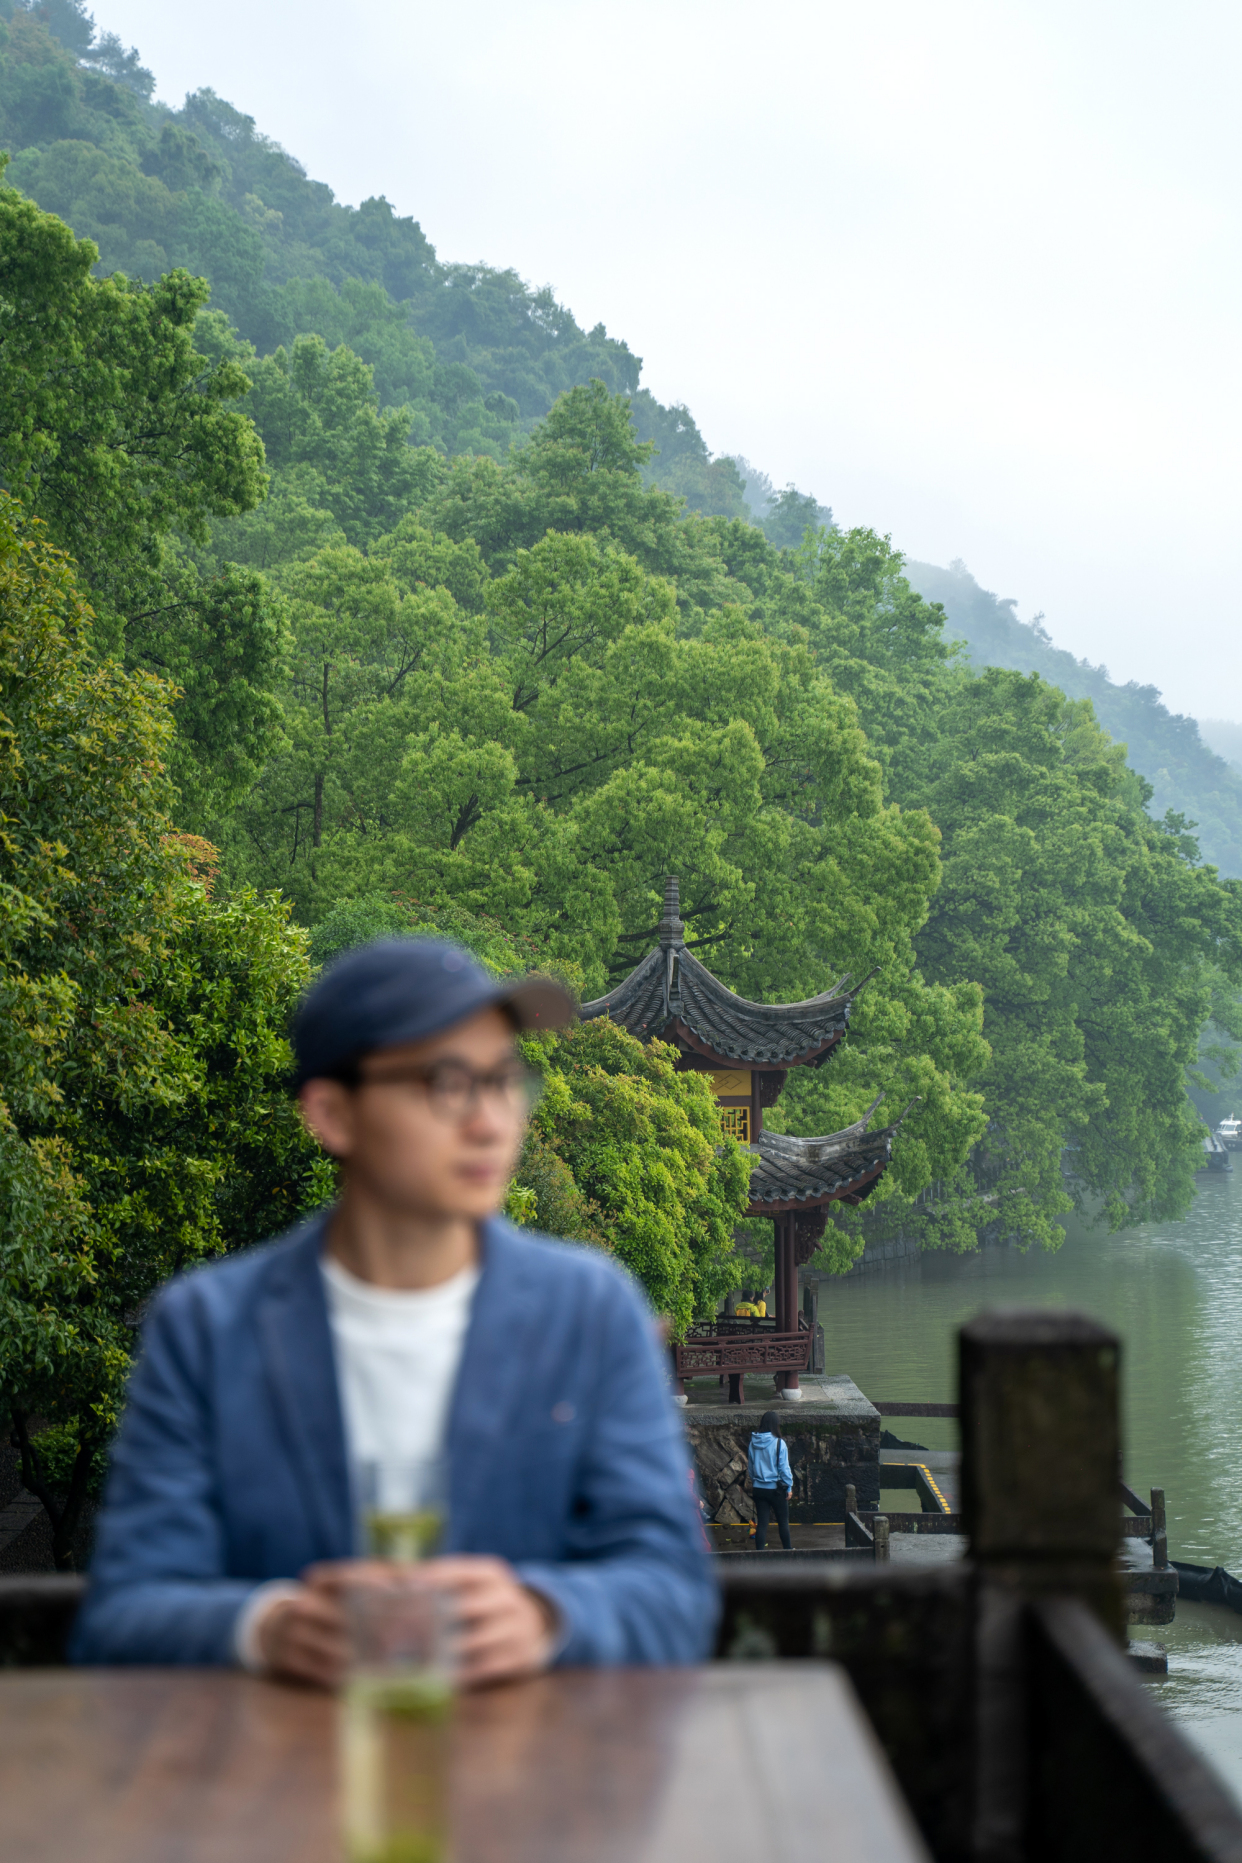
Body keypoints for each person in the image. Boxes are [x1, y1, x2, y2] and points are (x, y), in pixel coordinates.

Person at [71, 938, 718, 1683]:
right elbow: (125, 1609)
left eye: (505, 1080)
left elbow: (674, 1589)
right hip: (283, 1779)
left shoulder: (589, 1309)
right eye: (447, 1082)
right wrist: (269, 1625)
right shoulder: (207, 1327)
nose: (490, 1121)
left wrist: (547, 1614)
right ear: (333, 1113)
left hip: (532, 1781)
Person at [747, 1411, 793, 1551]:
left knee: (762, 1524)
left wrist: (756, 1481)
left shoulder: (753, 1442)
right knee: (783, 1523)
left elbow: (751, 1467)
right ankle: (788, 1552)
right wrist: (789, 1486)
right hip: (776, 1489)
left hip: (759, 1489)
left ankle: (759, 1556)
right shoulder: (779, 1443)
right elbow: (784, 1468)